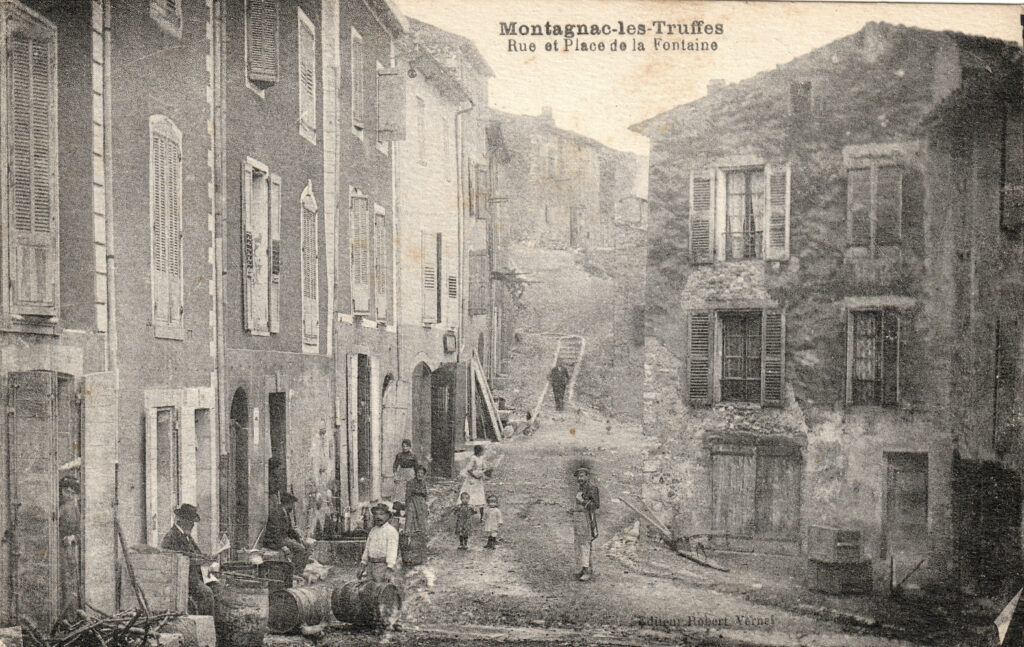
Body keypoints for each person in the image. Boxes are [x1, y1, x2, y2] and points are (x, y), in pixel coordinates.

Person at [161, 504, 216, 615]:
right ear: (181, 520)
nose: (192, 525)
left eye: (193, 522)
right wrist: (198, 561)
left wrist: (206, 557)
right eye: (190, 521)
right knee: (207, 593)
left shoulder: (187, 536)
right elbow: (173, 559)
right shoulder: (171, 537)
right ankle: (206, 625)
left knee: (217, 587)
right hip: (182, 579)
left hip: (195, 576)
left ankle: (217, 624)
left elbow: (197, 553)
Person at [263, 491, 313, 573]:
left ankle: (300, 570)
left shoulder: (285, 513)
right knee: (300, 549)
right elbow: (274, 533)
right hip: (274, 541)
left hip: (283, 539)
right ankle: (294, 572)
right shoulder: (276, 513)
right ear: (287, 503)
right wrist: (282, 546)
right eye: (292, 504)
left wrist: (299, 538)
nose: (292, 507)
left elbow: (290, 530)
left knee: (307, 546)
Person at [572, 467, 600, 581]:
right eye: (578, 476)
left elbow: (595, 505)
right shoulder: (581, 488)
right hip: (579, 519)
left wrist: (582, 501)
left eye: (582, 476)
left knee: (585, 544)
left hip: (587, 519)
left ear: (587, 476)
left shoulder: (592, 488)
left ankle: (587, 571)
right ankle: (584, 569)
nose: (580, 478)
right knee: (580, 543)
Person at [359, 503, 400, 583]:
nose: (378, 517)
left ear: (388, 516)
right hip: (371, 566)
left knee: (381, 589)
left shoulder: (391, 531)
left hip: (382, 566)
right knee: (369, 588)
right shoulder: (373, 530)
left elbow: (392, 550)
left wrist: (389, 568)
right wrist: (363, 564)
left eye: (381, 514)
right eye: (376, 514)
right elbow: (367, 548)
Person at [58, 475, 81, 616]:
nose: (69, 494)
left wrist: (73, 537)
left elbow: (80, 532)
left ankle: (70, 616)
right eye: (66, 491)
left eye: (72, 492)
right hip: (58, 549)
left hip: (69, 550)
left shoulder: (74, 508)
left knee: (69, 583)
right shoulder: (58, 507)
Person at [458, 445, 489, 520]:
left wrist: (484, 471)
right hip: (472, 479)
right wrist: (475, 475)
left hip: (479, 479)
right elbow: (469, 469)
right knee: (471, 495)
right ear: (479, 451)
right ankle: (467, 513)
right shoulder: (473, 458)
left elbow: (485, 467)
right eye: (482, 451)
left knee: (480, 496)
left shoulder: (481, 458)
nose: (483, 452)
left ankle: (481, 517)